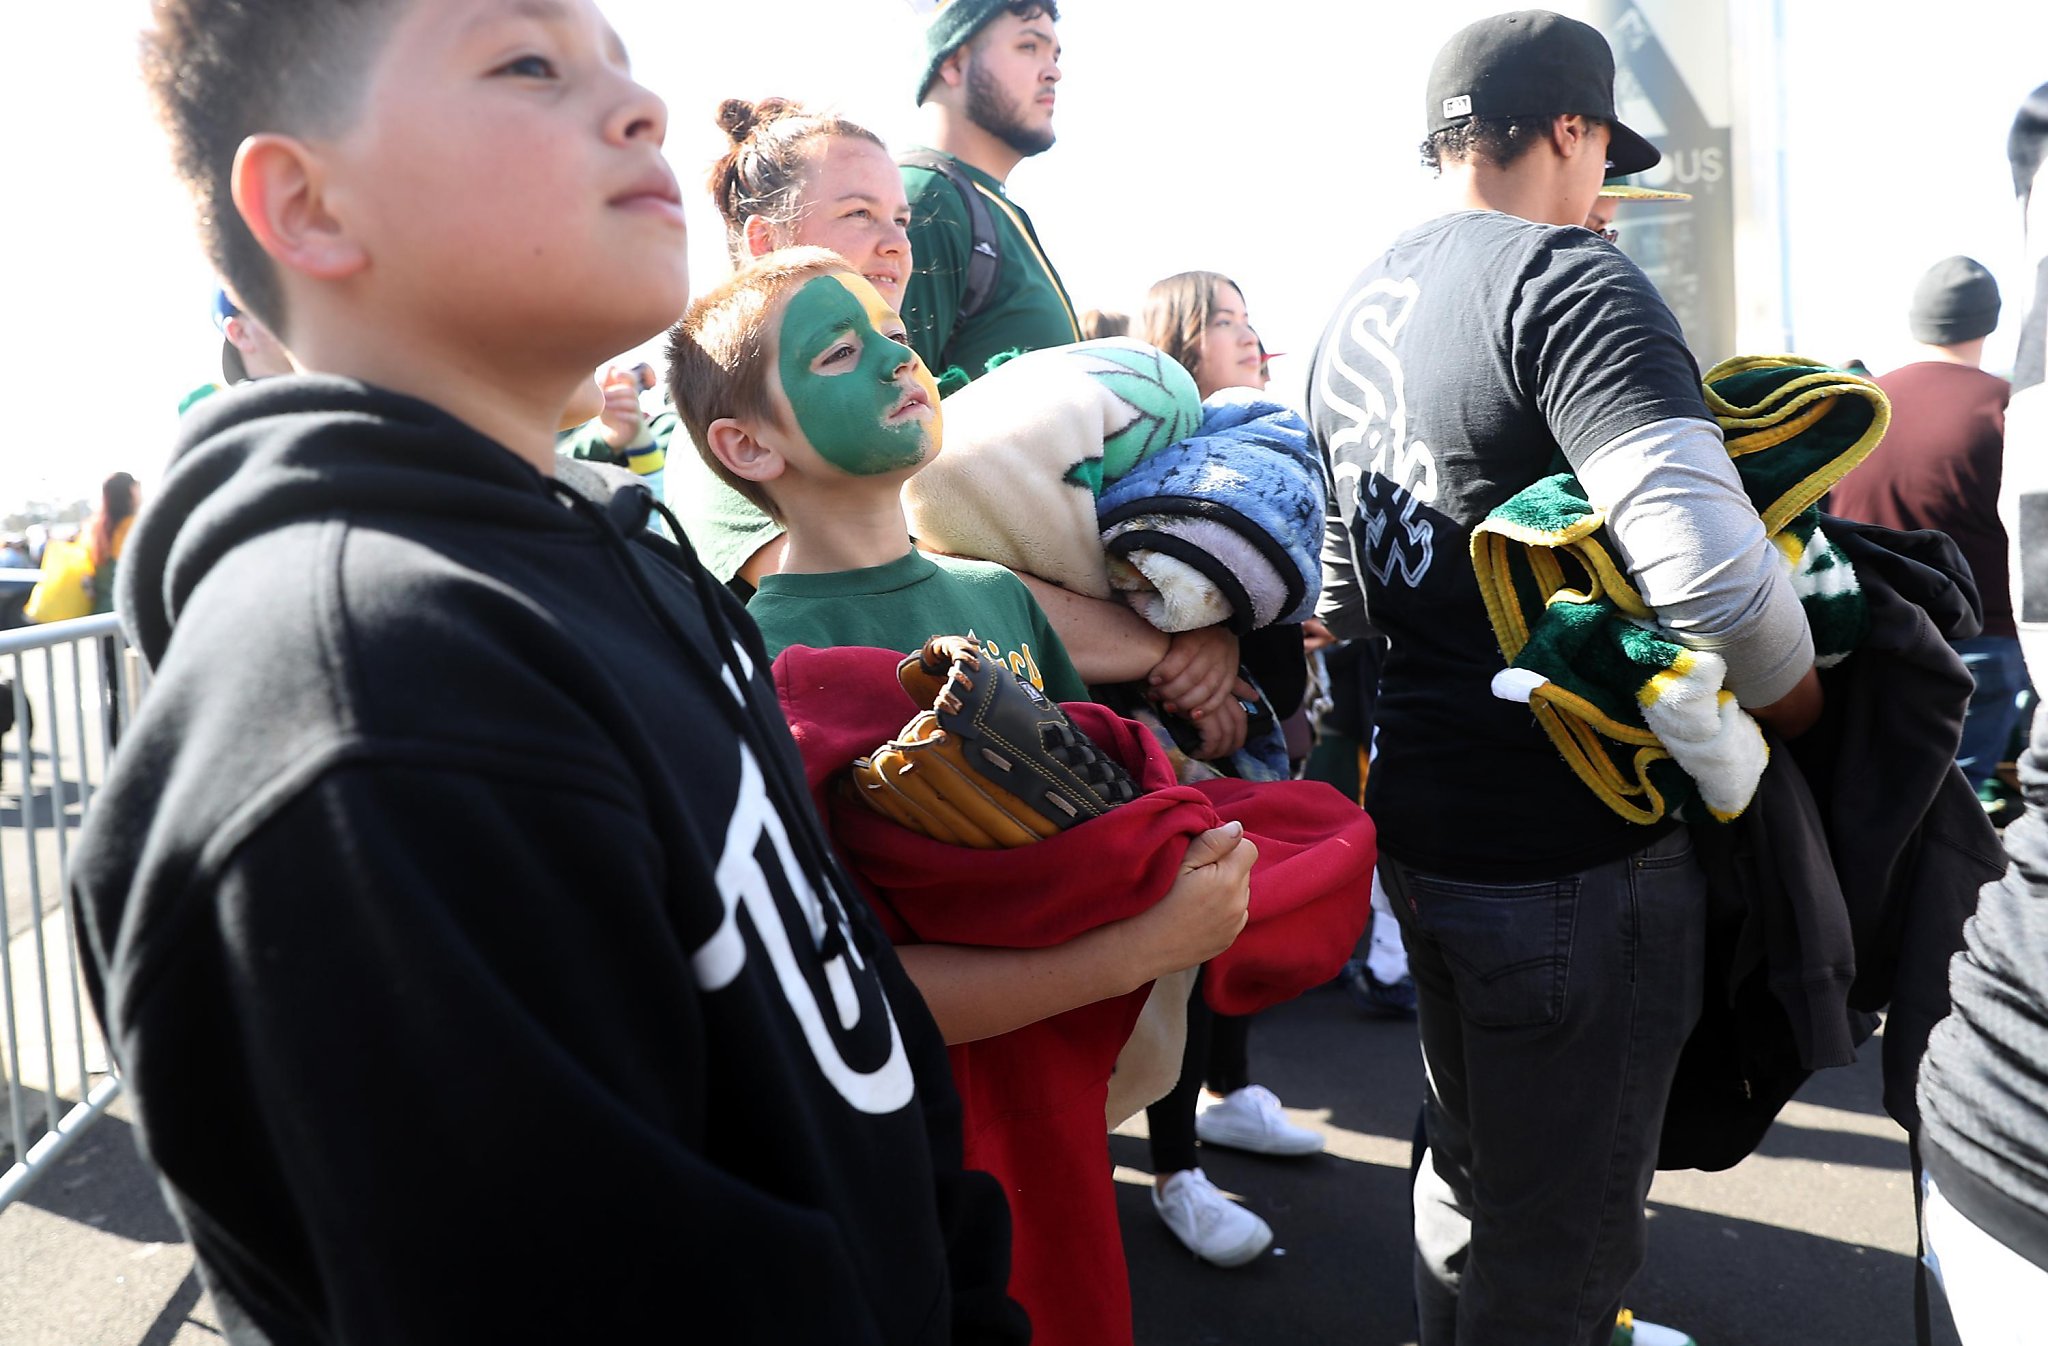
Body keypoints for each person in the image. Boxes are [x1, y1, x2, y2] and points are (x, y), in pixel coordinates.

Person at [74, 3, 1027, 1343]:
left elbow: (858, 1038)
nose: (639, 108)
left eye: (622, 64)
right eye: (528, 62)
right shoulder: (374, 713)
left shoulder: (620, 551)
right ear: (308, 202)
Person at [1309, 12, 1822, 1343]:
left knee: (1469, 1170)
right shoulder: (1566, 281)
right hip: (1571, 855)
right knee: (1565, 1240)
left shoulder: (1352, 307)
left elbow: (1342, 600)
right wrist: (1802, 703)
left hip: (1423, 832)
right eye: (1603, 153)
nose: (1609, 189)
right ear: (1571, 128)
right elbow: (1714, 585)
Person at [666, 244, 1259, 1341]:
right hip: (901, 1132)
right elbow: (838, 984)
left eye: (896, 338)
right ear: (746, 443)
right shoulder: (753, 657)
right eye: (843, 350)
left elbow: (1096, 830)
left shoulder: (996, 593)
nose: (897, 361)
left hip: (1060, 1092)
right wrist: (1137, 945)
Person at [1133, 269, 1321, 1267]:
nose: (1251, 339)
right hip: (1172, 746)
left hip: (1251, 734)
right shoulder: (1159, 455)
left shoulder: (1259, 444)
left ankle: (1231, 1093)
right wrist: (1211, 668)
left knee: (1240, 924)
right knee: (1180, 953)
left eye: (1253, 323)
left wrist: (1244, 666)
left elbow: (1276, 613)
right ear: (1175, 342)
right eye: (1226, 323)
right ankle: (1173, 1166)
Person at [681, 97, 913, 589]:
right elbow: (865, 589)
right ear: (766, 242)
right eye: (858, 213)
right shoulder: (730, 416)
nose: (897, 242)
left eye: (902, 219)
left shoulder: (910, 385)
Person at [1829, 257, 2022, 801]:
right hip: (1980, 639)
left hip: (1867, 637)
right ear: (1989, 321)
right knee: (1958, 816)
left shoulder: (1860, 404)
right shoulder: (2006, 407)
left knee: (1883, 808)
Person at [901, 0, 1079, 385]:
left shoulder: (989, 203)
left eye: (1055, 54)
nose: (1054, 72)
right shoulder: (924, 197)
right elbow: (888, 416)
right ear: (953, 62)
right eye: (1028, 47)